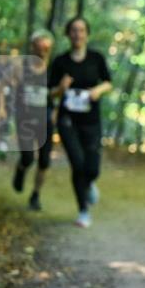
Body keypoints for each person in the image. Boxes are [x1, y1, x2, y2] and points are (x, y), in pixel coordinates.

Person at [49, 16, 112, 228]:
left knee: (92, 167)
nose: (77, 34)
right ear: (68, 34)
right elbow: (50, 93)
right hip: (68, 120)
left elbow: (108, 83)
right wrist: (60, 89)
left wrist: (97, 91)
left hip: (91, 119)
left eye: (81, 30)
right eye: (74, 30)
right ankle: (83, 210)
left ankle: (90, 182)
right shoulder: (60, 62)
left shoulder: (96, 59)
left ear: (87, 34)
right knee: (77, 163)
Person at [12, 30, 54, 211]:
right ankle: (21, 168)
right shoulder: (22, 66)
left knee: (44, 161)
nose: (43, 50)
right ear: (32, 47)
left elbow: (56, 94)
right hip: (25, 120)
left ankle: (36, 195)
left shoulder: (53, 70)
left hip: (45, 120)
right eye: (39, 46)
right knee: (28, 157)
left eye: (46, 47)